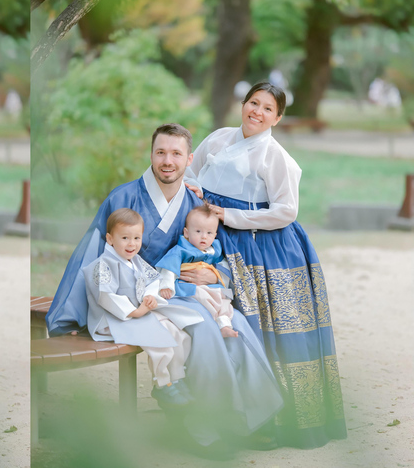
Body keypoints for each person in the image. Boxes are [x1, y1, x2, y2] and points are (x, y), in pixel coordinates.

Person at [46, 123, 283, 457]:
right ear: (152, 155)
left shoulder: (195, 203)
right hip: (137, 294)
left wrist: (215, 278)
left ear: (189, 160)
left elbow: (221, 252)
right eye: (161, 152)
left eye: (176, 153)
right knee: (202, 328)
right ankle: (205, 426)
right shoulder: (123, 197)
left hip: (180, 290)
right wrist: (69, 315)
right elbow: (91, 255)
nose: (167, 161)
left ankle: (251, 417)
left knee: (239, 326)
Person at [188, 81, 346, 448]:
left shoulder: (274, 156)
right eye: (253, 102)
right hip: (211, 235)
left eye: (267, 108)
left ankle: (274, 420)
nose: (257, 111)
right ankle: (220, 411)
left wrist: (230, 215)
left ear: (277, 117)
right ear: (242, 103)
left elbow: (287, 211)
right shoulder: (217, 139)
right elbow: (192, 175)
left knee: (262, 328)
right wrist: (200, 201)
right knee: (218, 321)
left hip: (260, 246)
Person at [83, 208, 205, 409]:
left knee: (179, 334)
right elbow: (106, 296)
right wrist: (136, 311)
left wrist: (149, 297)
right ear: (110, 239)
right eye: (125, 238)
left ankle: (176, 378)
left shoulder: (136, 261)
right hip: (114, 319)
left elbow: (152, 280)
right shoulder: (103, 264)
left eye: (136, 238)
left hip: (138, 312)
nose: (132, 244)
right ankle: (162, 383)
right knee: (158, 340)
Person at [155, 204, 237, 338]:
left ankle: (224, 323)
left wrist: (217, 277)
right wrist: (167, 285)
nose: (204, 237)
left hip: (210, 285)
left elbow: (223, 266)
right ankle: (214, 318)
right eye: (198, 231)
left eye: (209, 233)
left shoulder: (214, 250)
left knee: (225, 300)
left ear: (215, 235)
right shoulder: (181, 250)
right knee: (203, 295)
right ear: (187, 233)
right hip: (189, 286)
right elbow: (169, 267)